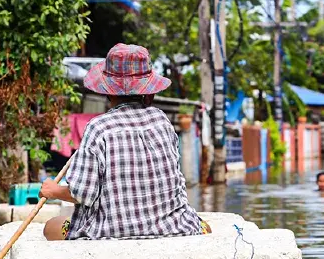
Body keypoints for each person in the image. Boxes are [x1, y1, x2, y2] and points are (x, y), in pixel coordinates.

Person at [39, 43, 211, 241]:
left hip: (110, 231)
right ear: (149, 92)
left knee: (51, 227)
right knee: (204, 226)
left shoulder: (98, 127)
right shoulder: (162, 120)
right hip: (170, 227)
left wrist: (53, 190)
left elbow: (82, 195)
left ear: (107, 92)